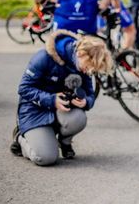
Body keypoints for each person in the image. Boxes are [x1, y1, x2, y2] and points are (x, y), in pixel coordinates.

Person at [9, 30, 113, 165]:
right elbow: (23, 89)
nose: (89, 72)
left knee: (79, 118)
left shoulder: (82, 65)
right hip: (34, 111)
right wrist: (52, 100)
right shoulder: (44, 57)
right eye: (88, 67)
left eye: (92, 70)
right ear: (80, 53)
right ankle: (20, 138)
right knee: (45, 158)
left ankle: (64, 142)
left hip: (60, 110)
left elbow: (90, 94)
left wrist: (86, 102)